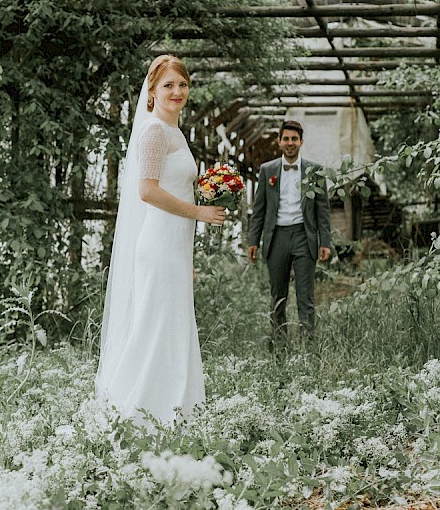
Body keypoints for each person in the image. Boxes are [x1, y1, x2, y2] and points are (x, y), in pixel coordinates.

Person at [95, 55, 226, 426]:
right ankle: (133, 410)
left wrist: (187, 256)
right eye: (168, 85)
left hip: (175, 247)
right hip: (157, 245)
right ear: (151, 91)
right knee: (153, 328)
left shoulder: (175, 132)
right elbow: (147, 192)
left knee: (172, 326)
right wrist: (199, 212)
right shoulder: (153, 131)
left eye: (182, 84)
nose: (177, 92)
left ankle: (175, 409)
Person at [247, 119, 331, 342]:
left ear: (301, 142)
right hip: (277, 238)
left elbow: (323, 210)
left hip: (304, 236)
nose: (290, 143)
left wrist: (325, 242)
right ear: (279, 142)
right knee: (278, 296)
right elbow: (259, 209)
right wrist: (253, 240)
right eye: (286, 139)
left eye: (294, 139)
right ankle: (279, 347)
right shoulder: (268, 170)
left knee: (305, 296)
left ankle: (308, 349)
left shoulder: (315, 171)